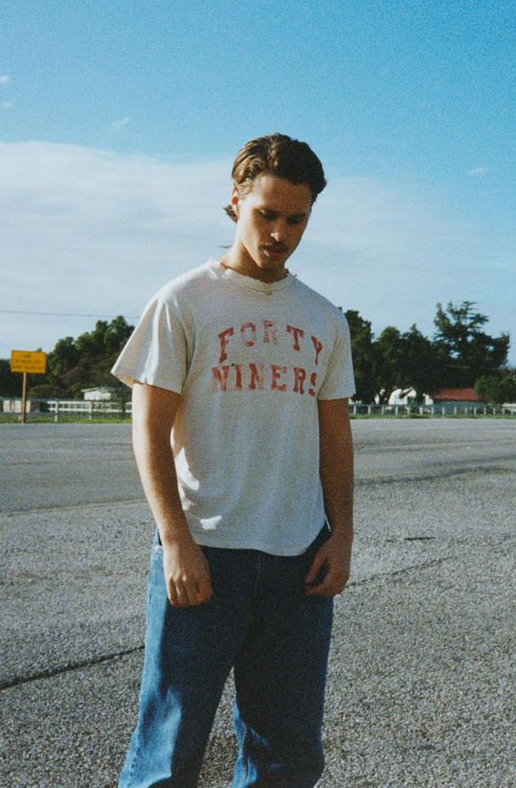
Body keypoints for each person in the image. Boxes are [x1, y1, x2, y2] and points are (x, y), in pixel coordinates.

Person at [112, 133, 356, 787]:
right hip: (205, 556)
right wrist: (175, 540)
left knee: (287, 757)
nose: (279, 233)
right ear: (235, 202)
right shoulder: (183, 302)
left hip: (297, 562)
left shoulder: (325, 319)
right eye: (266, 214)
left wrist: (343, 534)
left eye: (295, 219)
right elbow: (149, 429)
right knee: (168, 754)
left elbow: (335, 438)